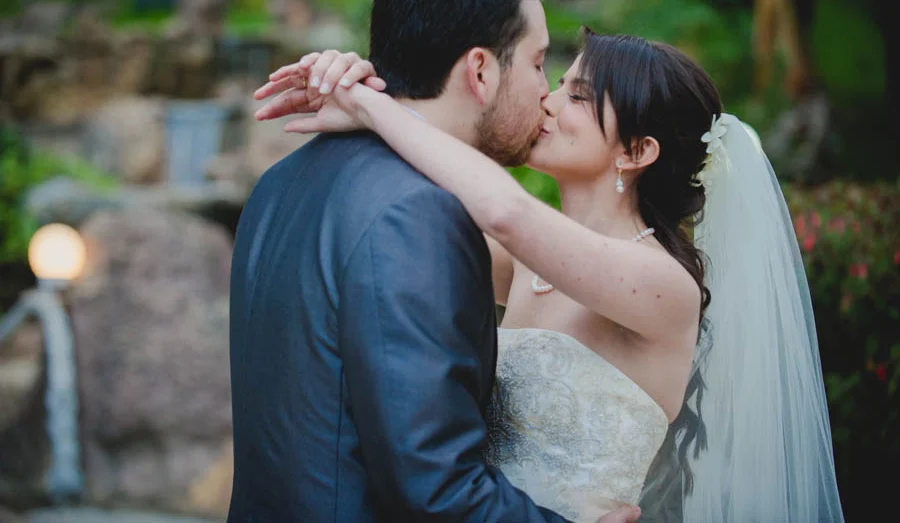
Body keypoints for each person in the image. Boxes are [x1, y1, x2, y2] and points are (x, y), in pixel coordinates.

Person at [253, 29, 846, 522]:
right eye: (557, 82)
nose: (549, 101)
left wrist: (373, 108)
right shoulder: (523, 264)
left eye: (578, 96)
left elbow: (503, 211)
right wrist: (360, 87)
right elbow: (416, 206)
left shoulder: (662, 284)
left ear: (636, 152)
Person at [228, 0, 639, 521]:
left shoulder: (280, 182)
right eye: (537, 63)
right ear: (481, 71)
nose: (545, 92)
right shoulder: (418, 211)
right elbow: (435, 486)